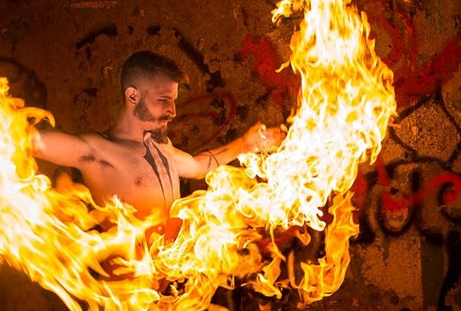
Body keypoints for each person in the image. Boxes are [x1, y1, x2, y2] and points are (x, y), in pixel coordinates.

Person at [32, 50, 284, 237]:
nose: (172, 111)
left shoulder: (160, 148)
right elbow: (37, 143)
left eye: (173, 100)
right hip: (130, 299)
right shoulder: (98, 152)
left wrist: (245, 144)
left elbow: (197, 166)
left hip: (175, 295)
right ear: (133, 96)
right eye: (164, 100)